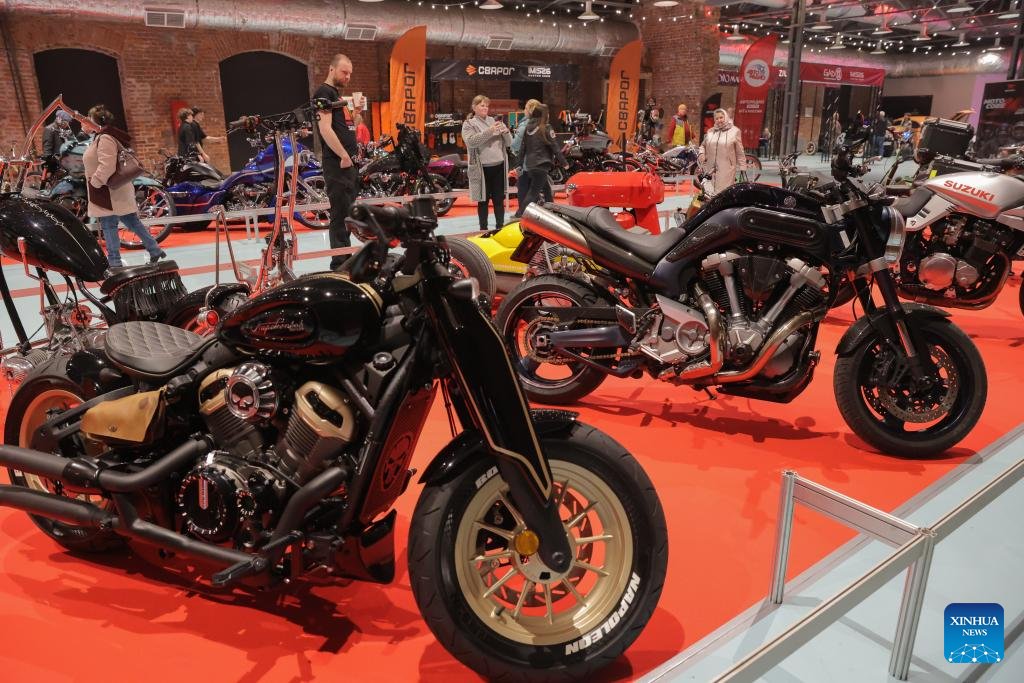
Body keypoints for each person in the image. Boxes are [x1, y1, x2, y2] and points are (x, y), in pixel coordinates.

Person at [83, 104, 165, 269]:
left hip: (109, 191)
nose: (84, 122)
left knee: (109, 225)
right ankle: (155, 249)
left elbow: (107, 165)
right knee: (132, 221)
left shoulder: (104, 138)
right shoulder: (100, 137)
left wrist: (95, 182)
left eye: (87, 118)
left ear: (95, 121)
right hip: (111, 190)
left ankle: (114, 263)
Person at [312, 53, 360, 270]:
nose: (347, 77)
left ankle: (345, 258)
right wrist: (343, 155)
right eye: (344, 72)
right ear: (332, 69)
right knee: (340, 215)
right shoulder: (324, 92)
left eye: (349, 73)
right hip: (338, 163)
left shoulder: (335, 94)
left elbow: (346, 127)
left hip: (347, 164)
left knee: (347, 213)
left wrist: (356, 113)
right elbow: (324, 129)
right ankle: (340, 263)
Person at [462, 95, 513, 230]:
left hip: (499, 167)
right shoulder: (469, 124)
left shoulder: (494, 121)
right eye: (482, 105)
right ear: (474, 107)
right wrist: (490, 131)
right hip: (482, 169)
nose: (485, 108)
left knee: (499, 200)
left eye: (486, 106)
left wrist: (506, 132)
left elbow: (509, 143)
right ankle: (483, 229)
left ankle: (500, 228)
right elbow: (471, 142)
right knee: (483, 201)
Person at [518, 104, 567, 214]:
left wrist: (519, 163)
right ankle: (520, 213)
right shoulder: (546, 127)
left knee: (546, 189)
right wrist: (564, 162)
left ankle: (552, 210)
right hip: (542, 164)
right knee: (533, 192)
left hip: (530, 165)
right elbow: (555, 146)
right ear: (545, 115)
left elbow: (522, 148)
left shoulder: (528, 128)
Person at [698, 109, 747, 195]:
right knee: (709, 192)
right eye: (717, 118)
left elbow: (740, 152)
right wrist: (701, 153)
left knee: (724, 193)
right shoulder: (710, 131)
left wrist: (743, 167)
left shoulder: (735, 131)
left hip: (727, 169)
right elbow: (703, 146)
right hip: (710, 169)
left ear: (726, 117)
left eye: (721, 117)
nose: (719, 120)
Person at [511, 98, 541, 218]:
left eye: (525, 108)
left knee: (523, 188)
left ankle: (522, 215)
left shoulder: (524, 125)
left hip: (524, 163)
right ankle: (535, 216)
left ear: (528, 110)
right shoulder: (543, 124)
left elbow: (515, 144)